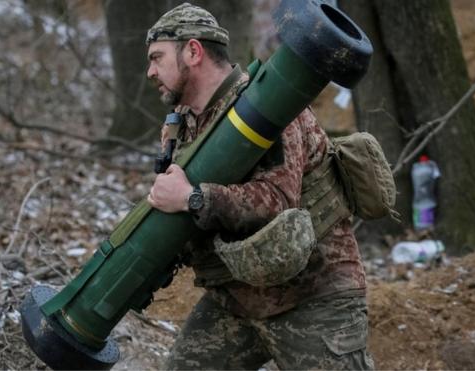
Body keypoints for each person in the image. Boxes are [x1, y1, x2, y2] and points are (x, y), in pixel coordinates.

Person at [144, 3, 375, 370]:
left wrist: (194, 198)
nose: (150, 71)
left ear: (193, 51)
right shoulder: (184, 124)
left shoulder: (270, 105)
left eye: (157, 57)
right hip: (236, 298)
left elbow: (277, 202)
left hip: (313, 295)